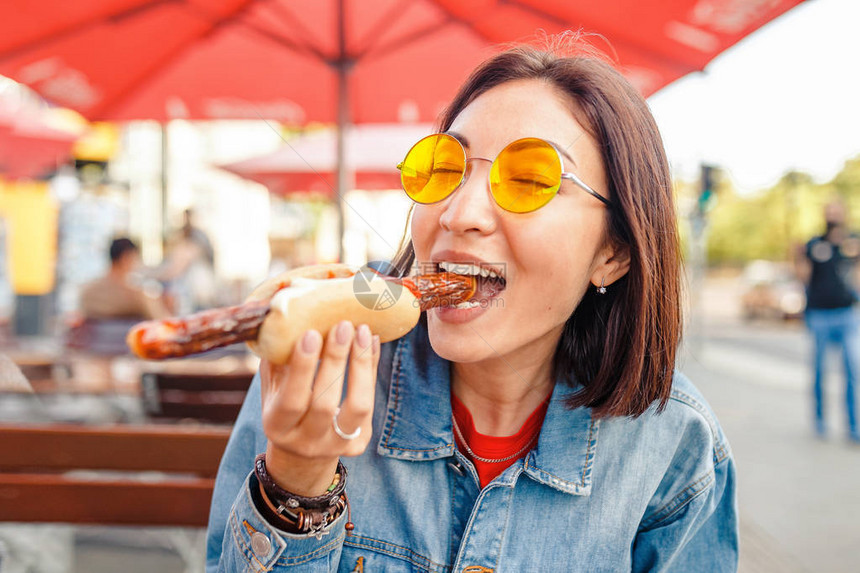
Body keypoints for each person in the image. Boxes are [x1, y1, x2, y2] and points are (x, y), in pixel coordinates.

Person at [206, 41, 738, 572]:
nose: (459, 212)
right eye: (444, 169)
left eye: (530, 180)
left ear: (613, 253)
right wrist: (295, 482)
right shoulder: (319, 378)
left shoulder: (674, 449)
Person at [795, 201, 860, 442]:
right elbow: (804, 277)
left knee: (853, 371)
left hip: (847, 314)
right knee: (820, 371)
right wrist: (798, 257)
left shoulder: (852, 242)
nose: (833, 216)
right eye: (829, 212)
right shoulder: (814, 244)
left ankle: (854, 427)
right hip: (820, 315)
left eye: (836, 211)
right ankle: (820, 422)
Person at [79, 237, 167, 321]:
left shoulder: (87, 292)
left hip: (95, 336)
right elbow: (162, 321)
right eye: (135, 257)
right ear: (126, 257)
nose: (137, 262)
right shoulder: (138, 296)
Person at [158, 208, 217, 314]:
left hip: (196, 293)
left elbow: (176, 269)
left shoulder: (196, 240)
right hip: (194, 292)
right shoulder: (190, 238)